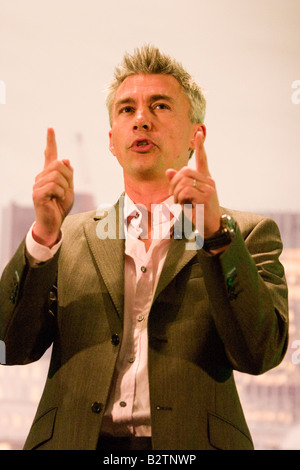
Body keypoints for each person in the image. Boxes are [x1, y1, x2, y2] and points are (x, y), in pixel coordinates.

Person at [0, 45, 288, 450]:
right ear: (112, 141)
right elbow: (8, 346)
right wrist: (44, 236)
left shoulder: (247, 233)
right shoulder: (70, 236)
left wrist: (216, 237)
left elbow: (260, 353)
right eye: (126, 110)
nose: (141, 120)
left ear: (196, 133)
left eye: (160, 106)